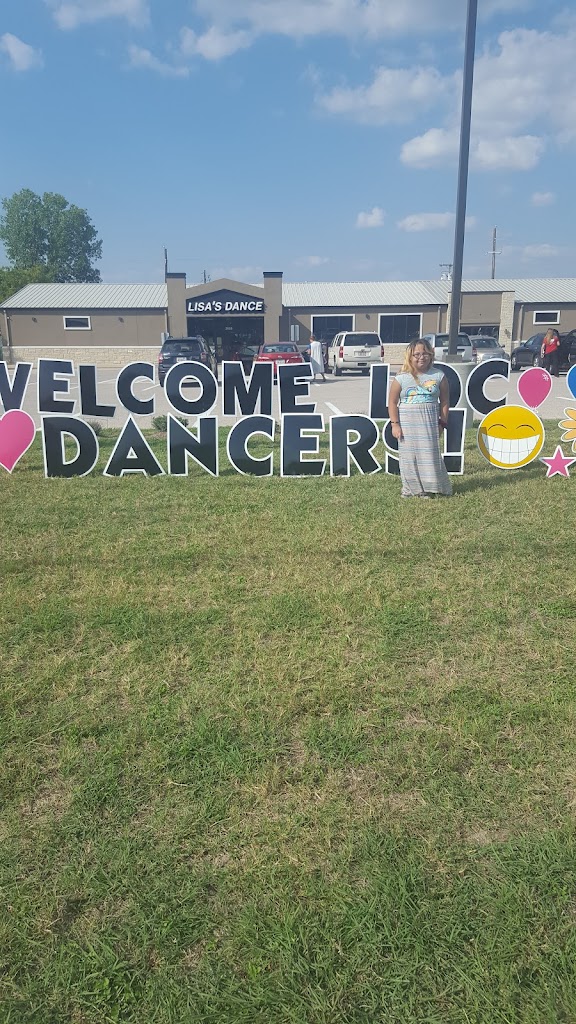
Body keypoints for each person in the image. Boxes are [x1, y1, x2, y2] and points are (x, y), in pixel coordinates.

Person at [388, 338, 452, 498]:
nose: (421, 357)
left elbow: (445, 401)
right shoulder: (401, 378)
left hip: (429, 423)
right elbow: (392, 402)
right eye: (416, 354)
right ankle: (411, 489)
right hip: (407, 424)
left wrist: (442, 423)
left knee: (429, 455)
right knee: (409, 457)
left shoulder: (439, 376)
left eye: (425, 353)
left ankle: (430, 488)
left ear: (431, 355)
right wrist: (395, 424)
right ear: (410, 357)